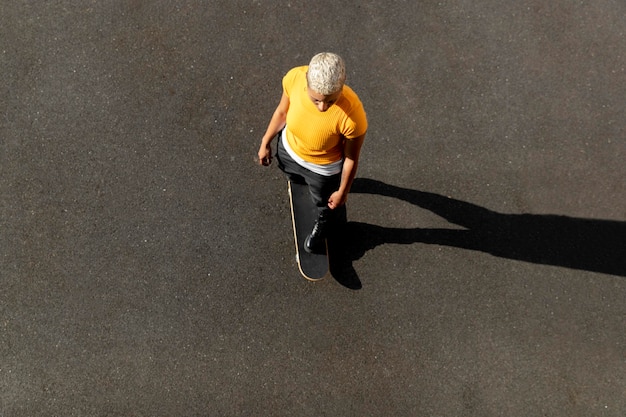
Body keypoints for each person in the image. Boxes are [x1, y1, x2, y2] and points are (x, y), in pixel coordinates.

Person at [258, 52, 368, 253]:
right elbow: (282, 112)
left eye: (331, 101)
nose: (322, 107)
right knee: (292, 176)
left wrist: (343, 191)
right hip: (289, 151)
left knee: (325, 203)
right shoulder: (294, 78)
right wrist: (266, 141)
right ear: (306, 84)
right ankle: (300, 181)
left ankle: (325, 223)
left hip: (322, 170)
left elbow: (351, 158)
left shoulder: (353, 116)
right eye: (316, 100)